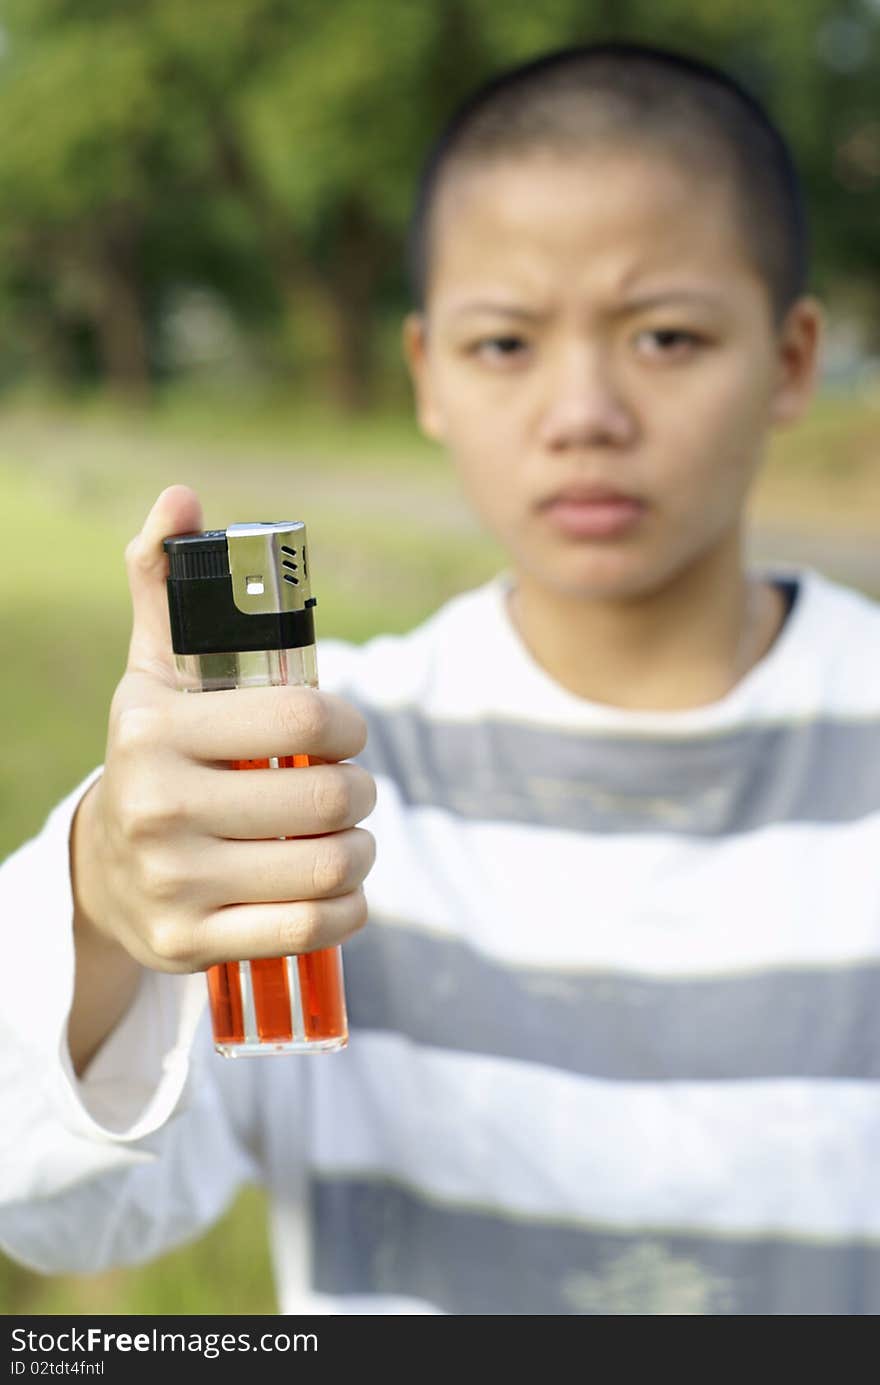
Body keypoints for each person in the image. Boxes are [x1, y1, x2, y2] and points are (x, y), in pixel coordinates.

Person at [1, 38, 878, 1317]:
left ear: (791, 359)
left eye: (667, 334)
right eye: (506, 342)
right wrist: (97, 902)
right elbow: (65, 1205)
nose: (583, 409)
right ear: (425, 373)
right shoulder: (294, 769)